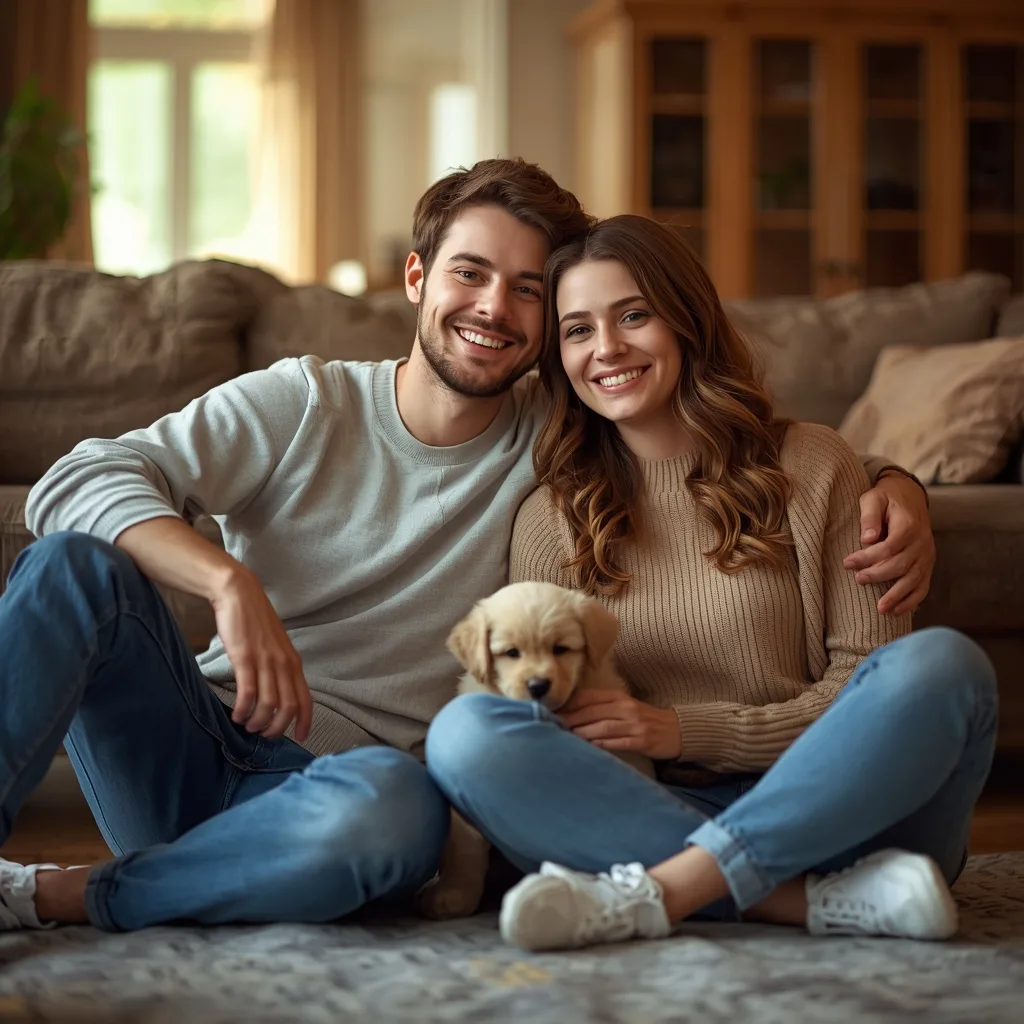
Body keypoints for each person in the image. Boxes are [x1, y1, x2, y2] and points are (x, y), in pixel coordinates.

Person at [0, 161, 935, 933]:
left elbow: (703, 432)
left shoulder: (561, 436)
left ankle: (71, 896)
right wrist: (228, 580)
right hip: (196, 739)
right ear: (417, 278)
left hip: (349, 798)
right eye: (470, 273)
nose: (493, 308)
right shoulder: (300, 401)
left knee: (398, 806)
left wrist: (896, 481)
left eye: (530, 292)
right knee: (72, 570)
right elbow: (70, 483)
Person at [425, 214, 997, 952]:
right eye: (576, 330)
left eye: (634, 315)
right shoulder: (550, 516)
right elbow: (548, 727)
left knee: (943, 666)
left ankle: (665, 894)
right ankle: (817, 903)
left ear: (688, 321)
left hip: (848, 807)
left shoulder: (816, 467)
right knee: (466, 734)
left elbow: (868, 684)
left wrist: (687, 730)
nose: (607, 349)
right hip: (656, 811)